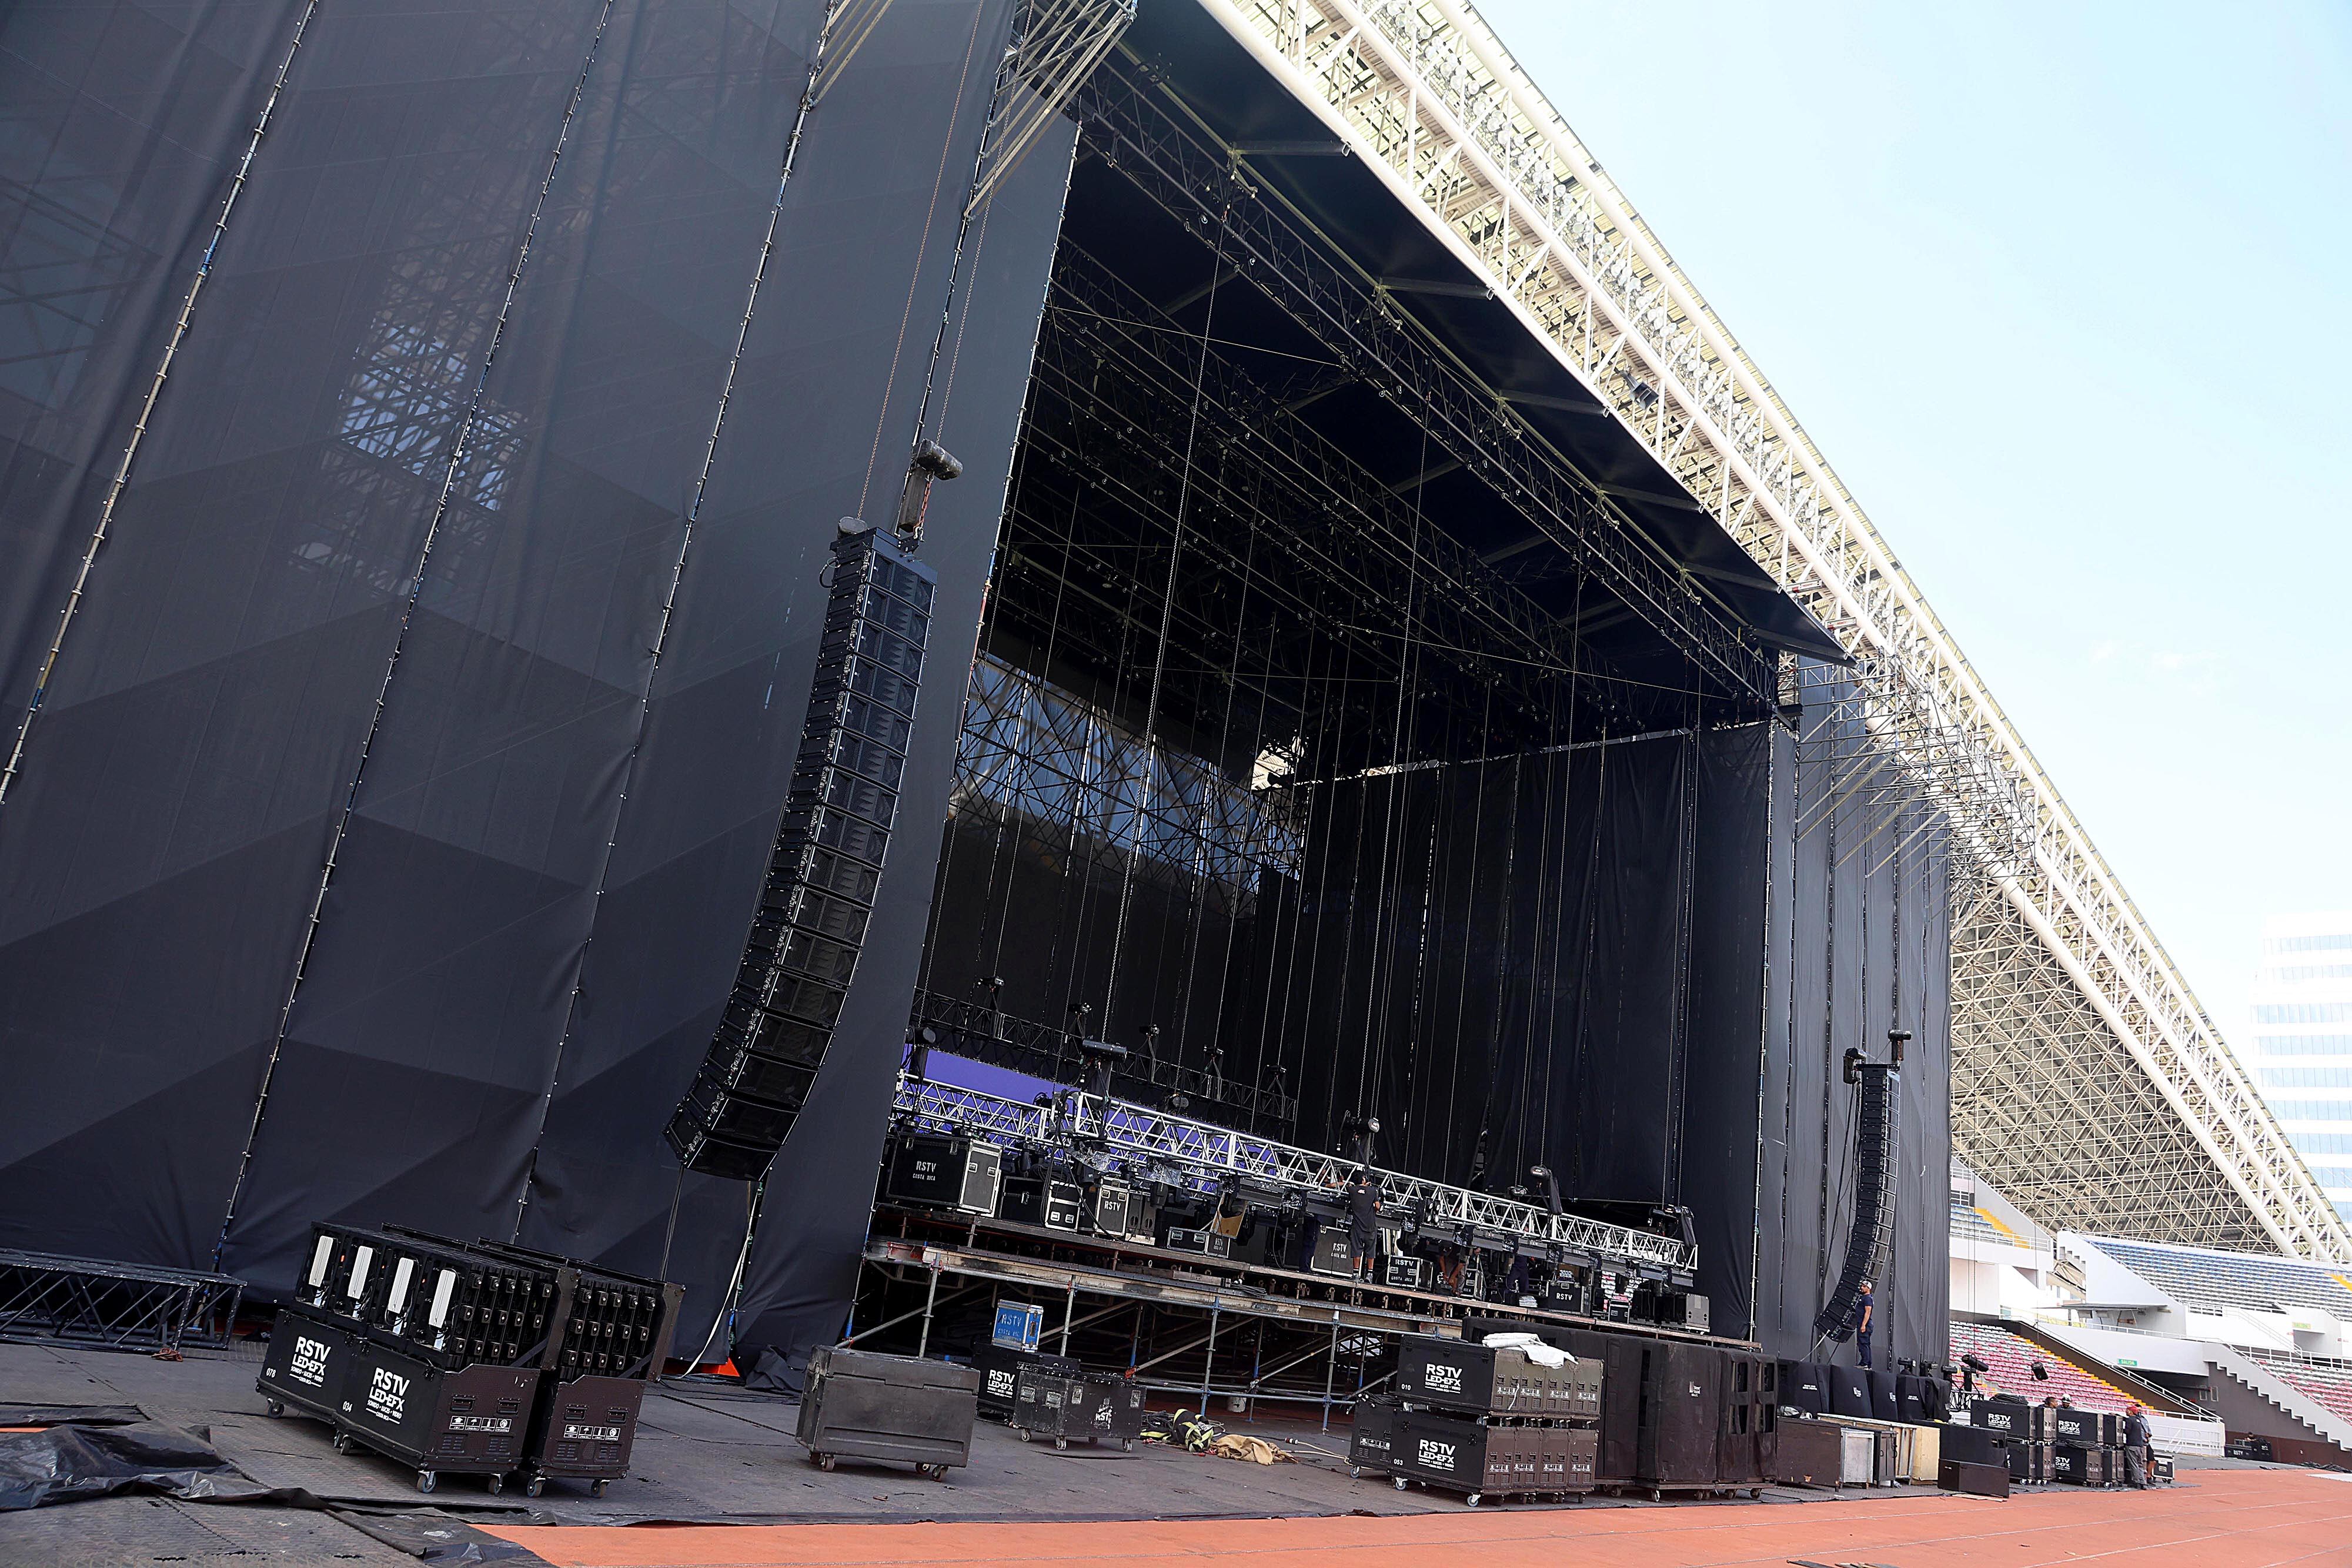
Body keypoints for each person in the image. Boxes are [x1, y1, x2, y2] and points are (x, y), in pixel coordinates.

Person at [1347, 1168, 1380, 1282]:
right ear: (1363, 1179)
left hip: (1357, 1227)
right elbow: (1378, 1207)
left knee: (1357, 1249)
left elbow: (1349, 1186)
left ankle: (1356, 1274)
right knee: (1371, 1250)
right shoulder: (1373, 1191)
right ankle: (1369, 1275)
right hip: (1370, 1226)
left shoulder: (1352, 1191)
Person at [2123, 1402, 2152, 1488]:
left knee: (2133, 1464)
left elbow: (2128, 1431)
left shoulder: (2130, 1420)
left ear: (2131, 1412)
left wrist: (2121, 1430)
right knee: (2140, 1464)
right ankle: (2143, 1482)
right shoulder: (2139, 1421)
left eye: (2127, 1410)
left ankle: (2136, 1481)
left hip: (2132, 1445)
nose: (2126, 1412)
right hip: (2140, 1445)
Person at [1855, 1279, 1875, 1369]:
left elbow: (1868, 1312)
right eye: (1862, 1286)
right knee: (1865, 1344)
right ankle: (1867, 1363)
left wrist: (1863, 1325)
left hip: (1865, 1325)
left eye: (1864, 1287)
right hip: (1864, 1324)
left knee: (1863, 1344)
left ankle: (1865, 1363)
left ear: (1869, 1288)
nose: (1862, 1288)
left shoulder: (1867, 1298)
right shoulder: (1864, 1298)